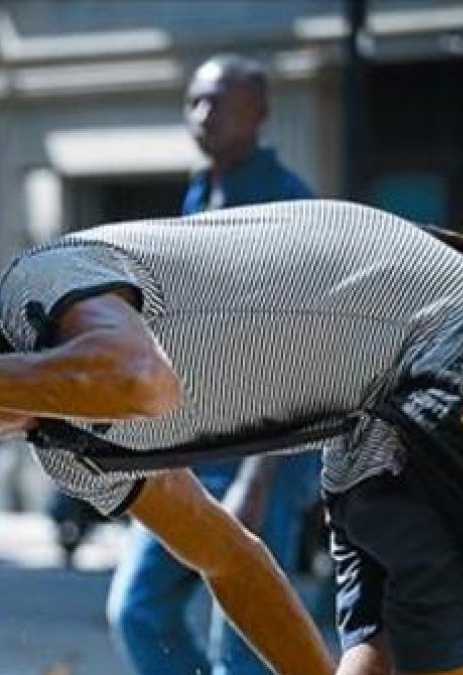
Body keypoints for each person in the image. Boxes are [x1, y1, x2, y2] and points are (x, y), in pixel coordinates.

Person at [0, 199, 463, 674]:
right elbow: (228, 561)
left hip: (455, 338)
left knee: (438, 651)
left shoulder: (34, 287)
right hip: (378, 420)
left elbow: (145, 380)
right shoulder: (76, 456)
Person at [106, 52, 322, 675]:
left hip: (263, 454)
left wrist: (260, 478)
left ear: (259, 111)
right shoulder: (200, 192)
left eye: (218, 101)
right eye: (193, 101)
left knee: (246, 644)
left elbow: (301, 353)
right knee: (138, 610)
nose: (202, 114)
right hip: (187, 450)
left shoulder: (286, 207)